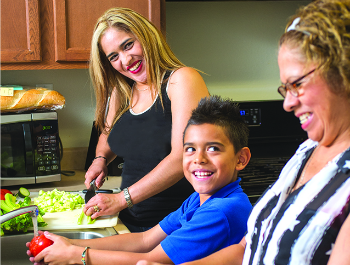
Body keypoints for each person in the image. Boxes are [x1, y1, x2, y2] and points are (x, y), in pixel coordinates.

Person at [137, 0, 350, 264]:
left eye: (298, 84)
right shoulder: (307, 151)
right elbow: (245, 250)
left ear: (344, 75)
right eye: (285, 88)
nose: (288, 103)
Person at [27, 95, 252, 265]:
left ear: (241, 159)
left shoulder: (221, 211)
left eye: (213, 148)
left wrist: (78, 256)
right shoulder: (199, 199)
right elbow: (144, 240)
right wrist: (68, 244)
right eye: (190, 149)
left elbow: (150, 259)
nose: (198, 159)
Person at [83, 7, 209, 232]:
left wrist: (122, 199)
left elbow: (183, 156)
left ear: (146, 35)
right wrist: (100, 159)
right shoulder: (123, 91)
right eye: (114, 56)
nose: (126, 59)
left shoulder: (181, 80)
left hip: (179, 225)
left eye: (128, 45)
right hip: (133, 223)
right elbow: (108, 133)